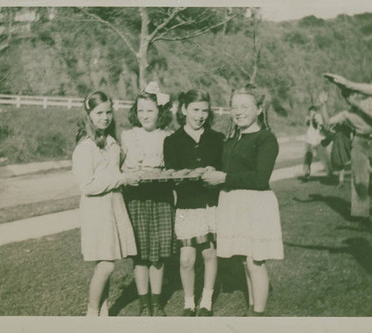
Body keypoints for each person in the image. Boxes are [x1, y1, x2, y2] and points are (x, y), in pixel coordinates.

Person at [202, 83, 284, 316]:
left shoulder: (266, 139)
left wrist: (223, 177)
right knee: (247, 261)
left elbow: (260, 178)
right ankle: (251, 308)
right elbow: (230, 168)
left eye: (245, 107)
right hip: (234, 203)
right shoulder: (232, 139)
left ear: (259, 109)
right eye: (234, 107)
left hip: (256, 204)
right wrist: (215, 169)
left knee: (255, 261)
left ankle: (257, 315)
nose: (238, 112)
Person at [72, 91, 140, 316]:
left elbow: (114, 171)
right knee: (106, 265)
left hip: (113, 205)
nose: (105, 117)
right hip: (97, 209)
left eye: (108, 112)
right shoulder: (86, 146)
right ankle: (92, 312)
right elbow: (87, 185)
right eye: (99, 113)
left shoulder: (111, 143)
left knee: (107, 261)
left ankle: (103, 310)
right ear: (89, 115)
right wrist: (122, 178)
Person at [163, 89, 224, 316]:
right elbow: (172, 174)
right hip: (188, 206)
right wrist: (187, 174)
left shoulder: (217, 139)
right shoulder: (172, 141)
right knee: (187, 258)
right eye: (195, 110)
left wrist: (213, 172)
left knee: (209, 252)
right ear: (184, 110)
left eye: (204, 110)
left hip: (211, 203)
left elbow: (222, 169)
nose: (200, 115)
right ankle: (189, 302)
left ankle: (206, 300)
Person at [120, 82, 175, 316]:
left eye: (150, 110)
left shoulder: (168, 136)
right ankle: (144, 303)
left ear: (160, 112)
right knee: (140, 254)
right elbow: (123, 167)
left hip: (160, 196)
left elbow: (172, 168)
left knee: (159, 255)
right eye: (141, 110)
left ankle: (156, 301)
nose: (145, 115)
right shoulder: (128, 136)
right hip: (136, 197)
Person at [323, 73, 372, 222]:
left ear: (358, 94)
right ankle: (361, 214)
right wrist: (322, 105)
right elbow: (328, 121)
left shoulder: (370, 102)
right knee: (359, 179)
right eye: (347, 96)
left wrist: (357, 104)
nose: (350, 98)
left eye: (352, 94)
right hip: (359, 142)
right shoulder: (347, 114)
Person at [303, 100, 332, 180]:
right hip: (309, 139)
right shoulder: (308, 118)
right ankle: (306, 172)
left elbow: (321, 126)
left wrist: (318, 122)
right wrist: (309, 119)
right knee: (307, 156)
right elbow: (306, 123)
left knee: (324, 156)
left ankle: (329, 172)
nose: (312, 113)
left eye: (313, 111)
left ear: (316, 111)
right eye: (310, 112)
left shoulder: (319, 116)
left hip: (319, 139)